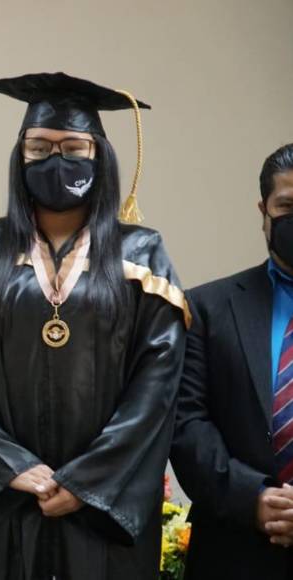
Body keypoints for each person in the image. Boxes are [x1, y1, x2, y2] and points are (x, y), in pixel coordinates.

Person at [0, 73, 188, 579]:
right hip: (1, 502)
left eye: (73, 147)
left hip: (98, 510)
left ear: (100, 155)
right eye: (38, 148)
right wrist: (9, 466)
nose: (55, 160)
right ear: (18, 158)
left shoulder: (142, 255)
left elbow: (158, 383)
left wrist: (89, 481)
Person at [171, 142, 293, 579]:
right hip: (232, 548)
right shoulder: (206, 307)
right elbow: (186, 423)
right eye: (287, 205)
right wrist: (254, 499)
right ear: (264, 211)